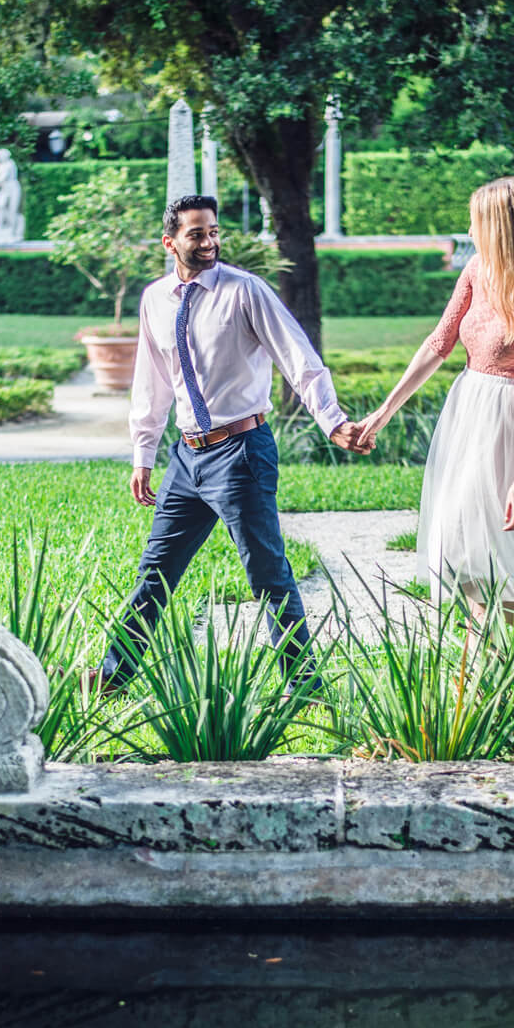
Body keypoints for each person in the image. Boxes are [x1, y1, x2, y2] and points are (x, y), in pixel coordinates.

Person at [94, 195, 369, 693]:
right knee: (155, 572)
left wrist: (332, 421)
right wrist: (143, 454)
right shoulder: (155, 299)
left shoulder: (245, 292)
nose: (208, 243)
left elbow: (298, 358)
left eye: (214, 232)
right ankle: (114, 676)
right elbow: (152, 382)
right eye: (196, 234)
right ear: (170, 242)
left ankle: (304, 686)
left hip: (241, 452)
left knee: (266, 571)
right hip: (186, 458)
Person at [356, 177, 514, 614]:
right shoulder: (476, 270)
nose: (469, 233)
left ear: (502, 228)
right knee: (460, 542)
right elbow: (438, 344)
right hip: (466, 413)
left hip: (510, 425)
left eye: (476, 223)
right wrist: (383, 412)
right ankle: (485, 651)